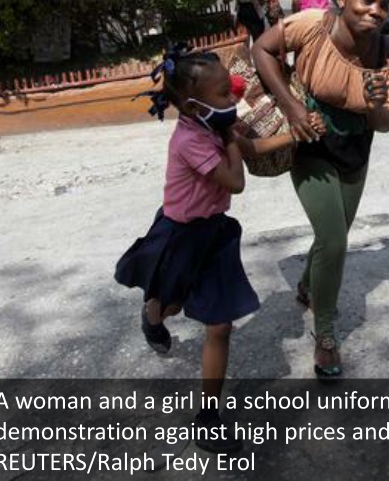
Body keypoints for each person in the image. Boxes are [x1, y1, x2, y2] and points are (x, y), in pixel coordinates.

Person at [114, 44, 301, 450]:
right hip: (180, 237)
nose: (233, 97)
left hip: (214, 235)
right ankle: (153, 313)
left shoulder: (212, 121)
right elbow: (236, 180)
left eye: (229, 89)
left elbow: (251, 149)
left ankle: (207, 417)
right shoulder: (190, 139)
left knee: (219, 325)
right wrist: (231, 134)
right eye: (223, 94)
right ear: (193, 107)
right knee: (172, 305)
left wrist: (296, 134)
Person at [252, 0, 389, 380]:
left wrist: (375, 104)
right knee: (335, 241)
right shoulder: (312, 26)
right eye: (368, 0)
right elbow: (261, 50)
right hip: (309, 145)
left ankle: (307, 286)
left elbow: (385, 125)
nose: (376, 11)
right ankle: (325, 336)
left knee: (330, 238)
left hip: (355, 150)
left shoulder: (388, 52)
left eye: (384, 5)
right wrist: (291, 106)